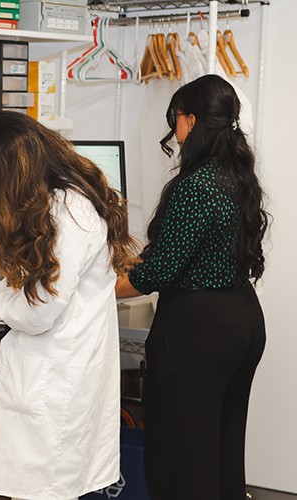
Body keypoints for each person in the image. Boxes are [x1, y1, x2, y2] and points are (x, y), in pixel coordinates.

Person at [0, 111, 135, 500]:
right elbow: (45, 280)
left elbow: (39, 312)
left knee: (46, 490)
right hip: (59, 383)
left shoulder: (68, 212)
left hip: (56, 390)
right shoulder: (69, 200)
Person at [115, 74, 268, 499]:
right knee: (221, 449)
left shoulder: (194, 186)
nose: (174, 130)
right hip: (241, 321)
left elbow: (156, 274)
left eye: (176, 118)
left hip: (198, 332)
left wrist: (90, 289)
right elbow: (197, 250)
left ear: (192, 121)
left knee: (180, 458)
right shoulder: (238, 176)